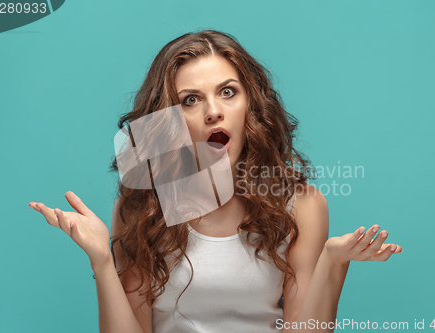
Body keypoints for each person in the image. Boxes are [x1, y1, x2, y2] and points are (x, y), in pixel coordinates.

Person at [29, 30, 403, 333]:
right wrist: (101, 263)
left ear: (250, 105)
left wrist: (333, 262)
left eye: (228, 92)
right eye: (190, 100)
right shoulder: (141, 206)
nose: (213, 112)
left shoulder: (301, 204)